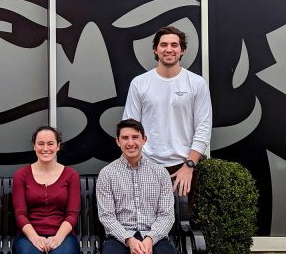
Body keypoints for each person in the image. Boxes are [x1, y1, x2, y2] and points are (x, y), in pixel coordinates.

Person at [122, 26, 212, 197]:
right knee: (145, 221)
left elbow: (203, 128)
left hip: (184, 167)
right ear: (155, 49)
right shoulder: (139, 83)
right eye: (163, 45)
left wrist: (189, 166)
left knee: (182, 221)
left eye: (174, 45)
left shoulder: (197, 83)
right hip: (146, 165)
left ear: (182, 50)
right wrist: (136, 165)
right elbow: (129, 128)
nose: (169, 49)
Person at [97, 119, 175, 254]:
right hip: (119, 238)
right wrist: (129, 240)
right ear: (118, 141)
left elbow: (166, 215)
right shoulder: (107, 174)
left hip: (154, 236)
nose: (130, 143)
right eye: (125, 138)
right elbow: (107, 216)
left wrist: (150, 238)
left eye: (135, 137)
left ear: (144, 140)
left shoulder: (160, 173)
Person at [12, 126, 80, 254]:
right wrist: (35, 238)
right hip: (28, 235)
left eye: (50, 144)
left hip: (63, 235)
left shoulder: (71, 175)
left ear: (58, 146)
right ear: (34, 146)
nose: (45, 149)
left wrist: (58, 238)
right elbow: (20, 214)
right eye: (40, 144)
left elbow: (72, 214)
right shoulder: (21, 175)